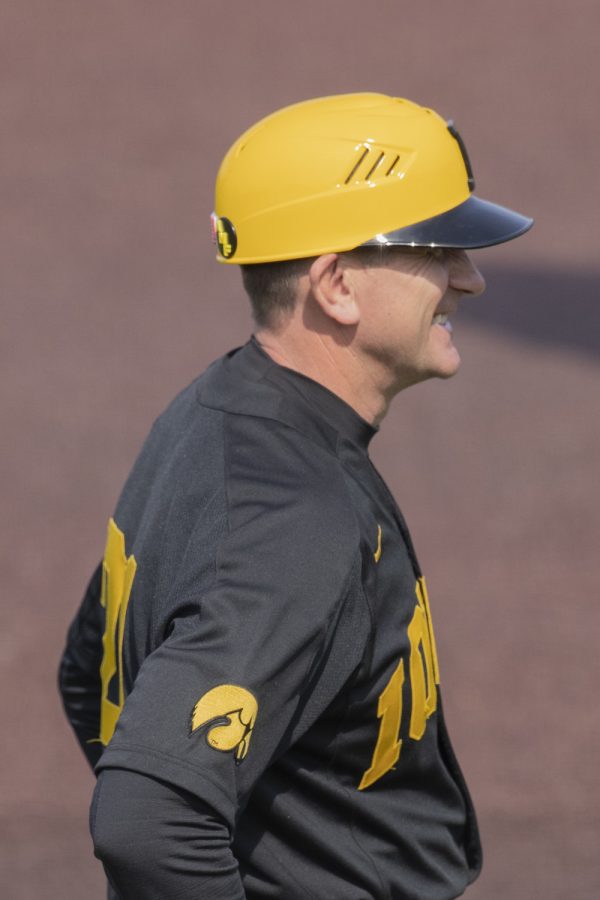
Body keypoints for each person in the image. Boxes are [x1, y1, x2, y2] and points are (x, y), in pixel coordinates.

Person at [59, 93, 532, 899]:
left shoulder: (213, 415)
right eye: (438, 250)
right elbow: (146, 820)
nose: (470, 279)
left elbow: (88, 676)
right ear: (336, 284)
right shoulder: (293, 520)